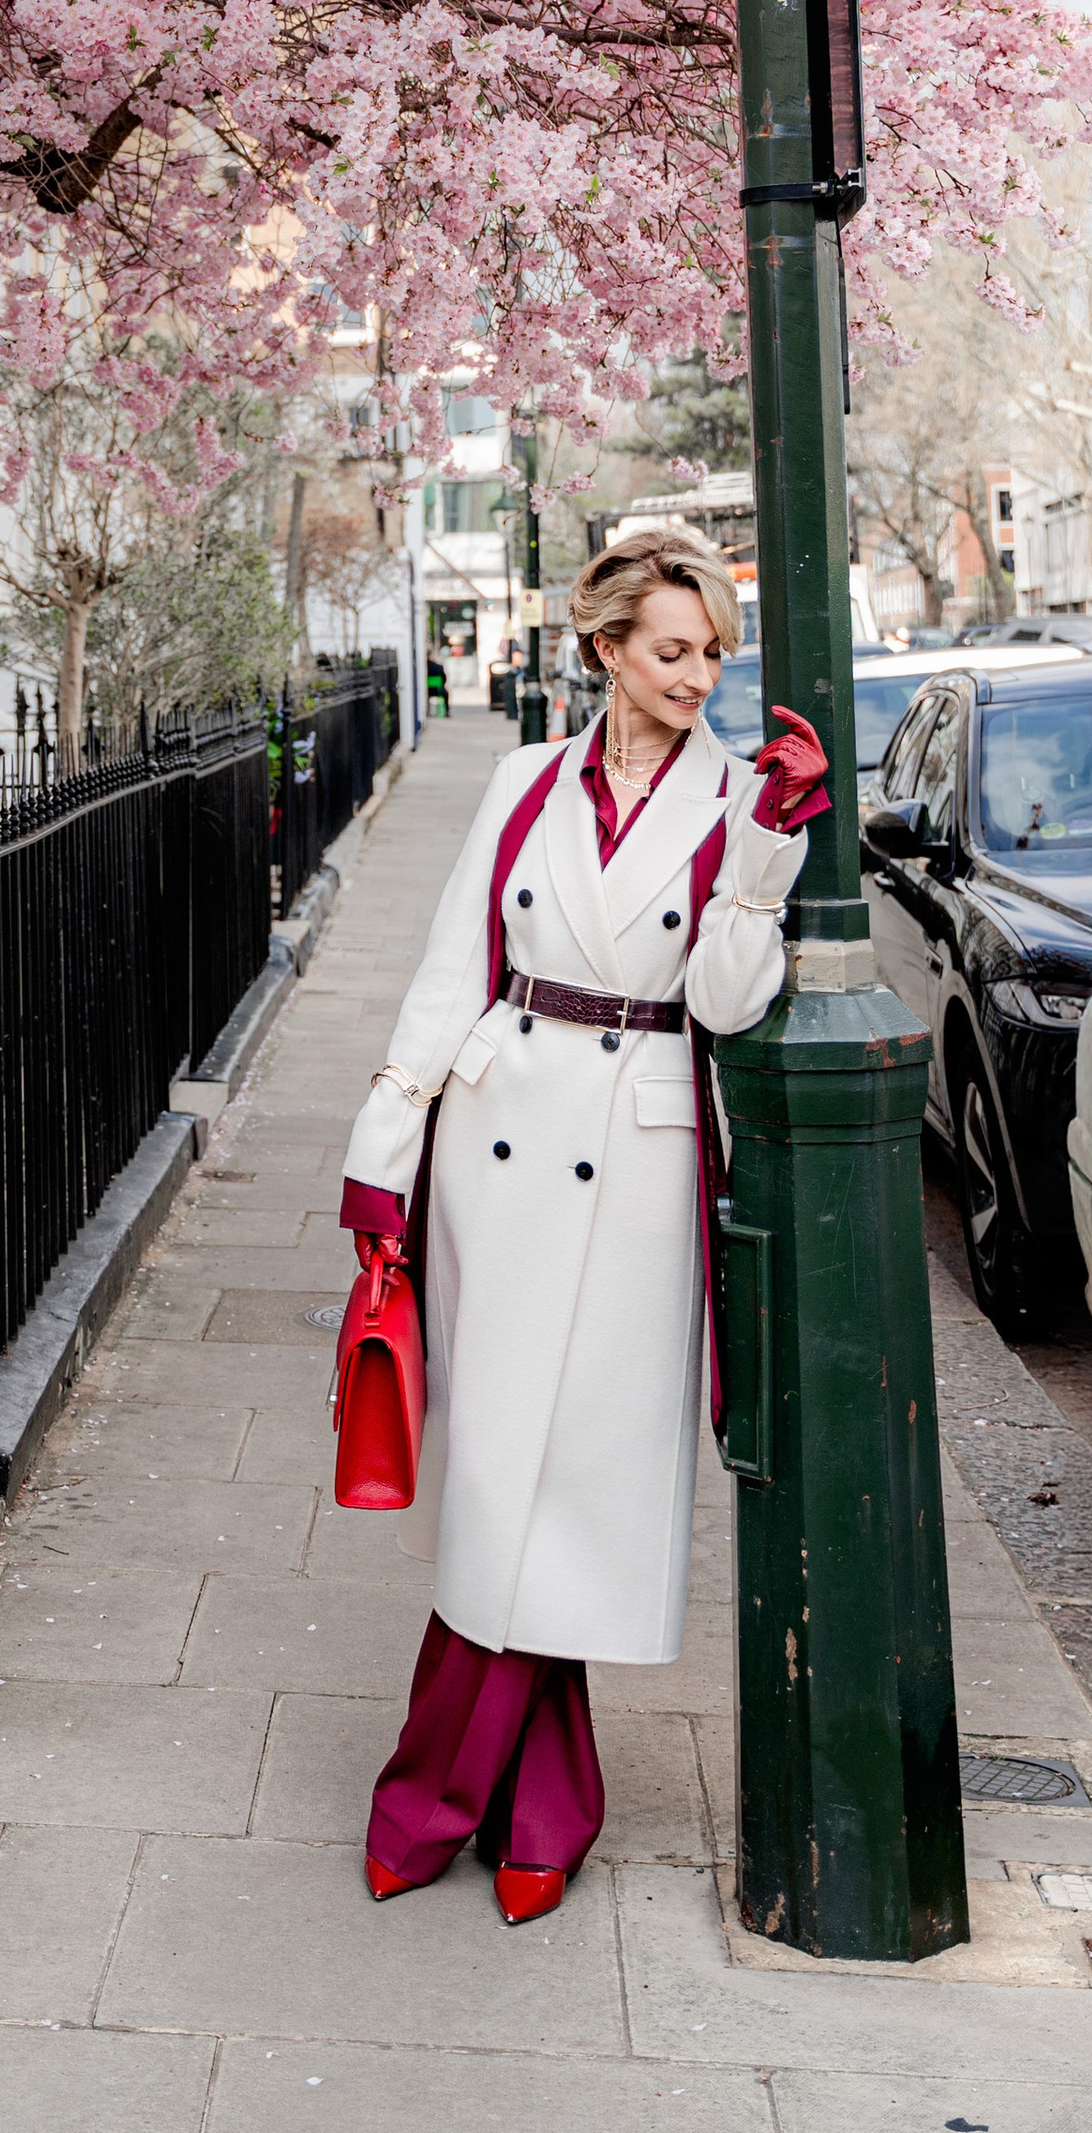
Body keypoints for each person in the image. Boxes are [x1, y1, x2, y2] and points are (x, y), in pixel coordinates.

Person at [339, 528, 829, 1924]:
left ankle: (435, 1798)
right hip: (504, 1137)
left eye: (714, 654)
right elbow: (453, 970)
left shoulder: (742, 795)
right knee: (503, 1480)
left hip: (641, 1155)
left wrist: (766, 858)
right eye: (672, 651)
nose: (700, 677)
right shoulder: (521, 779)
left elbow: (730, 1001)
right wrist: (387, 1148)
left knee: (576, 1483)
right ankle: (536, 1810)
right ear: (606, 650)